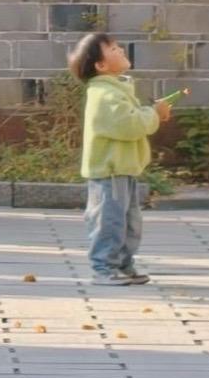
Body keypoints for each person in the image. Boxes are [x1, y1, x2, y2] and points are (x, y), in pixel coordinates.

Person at [71, 29, 177, 288]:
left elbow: (131, 117)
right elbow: (127, 124)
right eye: (114, 49)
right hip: (108, 171)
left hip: (123, 169)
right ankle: (104, 267)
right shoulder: (104, 95)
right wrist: (153, 114)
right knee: (109, 221)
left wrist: (152, 112)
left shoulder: (117, 89)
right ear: (101, 65)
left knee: (129, 222)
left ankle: (123, 264)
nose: (121, 50)